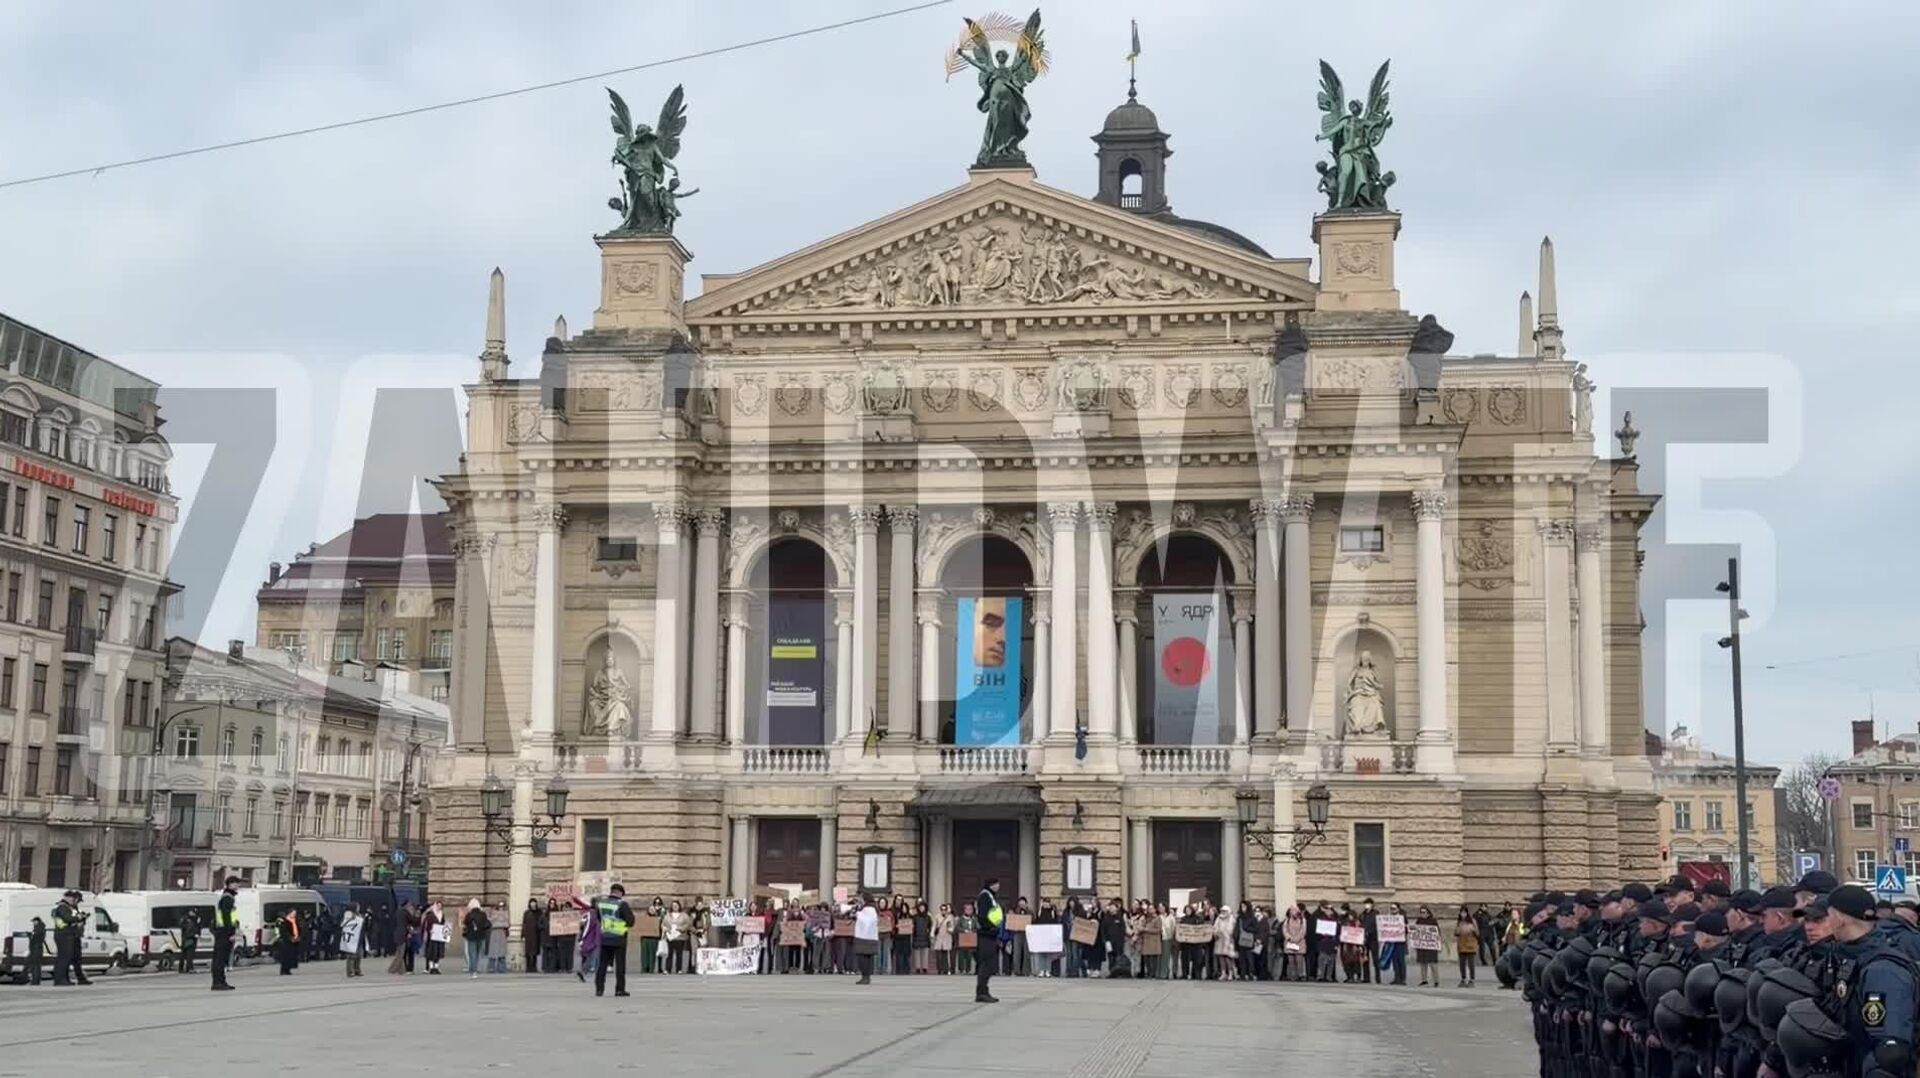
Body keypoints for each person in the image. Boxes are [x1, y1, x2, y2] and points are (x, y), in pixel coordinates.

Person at [593, 884, 634, 997]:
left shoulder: (601, 904)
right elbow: (630, 921)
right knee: (620, 965)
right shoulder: (622, 904)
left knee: (602, 965)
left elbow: (599, 918)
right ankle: (619, 989)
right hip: (619, 938)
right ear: (620, 893)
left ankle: (599, 989)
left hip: (605, 937)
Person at [975, 877, 1005, 1002]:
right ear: (991, 885)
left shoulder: (991, 896)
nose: (998, 886)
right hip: (986, 935)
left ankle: (984, 990)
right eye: (996, 884)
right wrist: (990, 928)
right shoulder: (984, 896)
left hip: (991, 934)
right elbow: (983, 916)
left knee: (990, 964)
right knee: (987, 964)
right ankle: (981, 992)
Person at [51, 891, 88, 986]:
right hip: (63, 934)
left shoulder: (70, 907)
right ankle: (60, 980)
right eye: (75, 899)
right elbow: (67, 919)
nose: (75, 902)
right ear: (68, 898)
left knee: (68, 958)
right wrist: (78, 918)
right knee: (63, 958)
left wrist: (81, 917)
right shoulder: (62, 907)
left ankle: (65, 979)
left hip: (70, 934)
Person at [211, 877, 239, 991]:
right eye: (236, 883)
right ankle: (218, 982)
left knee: (220, 957)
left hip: (221, 931)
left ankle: (220, 981)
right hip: (224, 932)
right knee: (220, 958)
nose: (237, 886)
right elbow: (226, 917)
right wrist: (230, 933)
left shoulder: (227, 897)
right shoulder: (227, 898)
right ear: (229, 884)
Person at [853, 895, 880, 985]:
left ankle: (865, 976)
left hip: (865, 937)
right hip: (869, 937)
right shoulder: (870, 909)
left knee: (863, 959)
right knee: (867, 958)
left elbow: (866, 921)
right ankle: (866, 977)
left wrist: (857, 914)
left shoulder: (869, 909)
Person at [461, 899, 490, 978]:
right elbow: (486, 924)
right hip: (481, 935)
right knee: (478, 953)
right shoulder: (483, 914)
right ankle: (476, 968)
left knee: (472, 953)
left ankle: (473, 970)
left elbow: (465, 923)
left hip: (471, 936)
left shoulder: (469, 915)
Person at [1413, 907, 1440, 986]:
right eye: (1421, 912)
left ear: (1428, 913)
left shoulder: (1433, 921)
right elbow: (1415, 931)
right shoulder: (1419, 921)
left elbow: (1437, 932)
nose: (1422, 914)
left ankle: (1436, 980)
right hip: (1422, 945)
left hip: (1431, 945)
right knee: (1423, 963)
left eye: (1424, 912)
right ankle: (1424, 980)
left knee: (1433, 963)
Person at [1454, 908, 1479, 987]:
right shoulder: (1460, 922)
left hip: (1470, 945)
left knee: (1471, 964)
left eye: (1464, 913)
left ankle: (1472, 980)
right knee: (1462, 964)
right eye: (1462, 913)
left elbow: (1477, 933)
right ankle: (1463, 979)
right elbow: (1456, 932)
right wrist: (1459, 929)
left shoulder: (1472, 921)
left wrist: (1472, 929)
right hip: (1461, 945)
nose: (1463, 914)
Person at [340, 902, 366, 978]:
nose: (359, 908)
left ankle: (357, 969)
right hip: (352, 938)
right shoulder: (348, 915)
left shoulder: (359, 915)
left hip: (359, 937)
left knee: (359, 955)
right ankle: (350, 971)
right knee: (351, 956)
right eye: (357, 907)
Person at [274, 907, 302, 976]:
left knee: (292, 956)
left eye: (295, 913)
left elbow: (299, 929)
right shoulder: (285, 921)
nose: (294, 915)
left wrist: (298, 937)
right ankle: (284, 970)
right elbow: (283, 931)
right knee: (286, 956)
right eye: (293, 913)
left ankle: (288, 969)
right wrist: (290, 938)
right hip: (286, 941)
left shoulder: (295, 921)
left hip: (295, 940)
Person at [521, 899, 545, 973]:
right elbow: (524, 924)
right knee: (528, 952)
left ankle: (534, 967)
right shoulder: (526, 913)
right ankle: (528, 967)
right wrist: (522, 935)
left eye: (534, 903)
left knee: (535, 952)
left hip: (536, 935)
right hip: (528, 935)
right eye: (532, 903)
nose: (533, 904)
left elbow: (541, 922)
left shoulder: (539, 912)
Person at [421, 902, 444, 974]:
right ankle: (431, 967)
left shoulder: (441, 914)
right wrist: (430, 931)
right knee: (431, 951)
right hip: (432, 935)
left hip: (439, 935)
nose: (439, 907)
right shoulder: (430, 914)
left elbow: (443, 923)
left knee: (438, 951)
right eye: (438, 905)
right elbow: (427, 925)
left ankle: (436, 967)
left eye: (441, 906)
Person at [177, 910, 201, 974]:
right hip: (189, 939)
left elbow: (198, 929)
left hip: (189, 939)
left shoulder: (194, 920)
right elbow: (188, 930)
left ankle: (183, 968)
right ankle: (189, 968)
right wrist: (194, 935)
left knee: (184, 955)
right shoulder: (188, 920)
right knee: (189, 955)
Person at [25, 915, 45, 985]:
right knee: (34, 965)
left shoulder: (39, 928)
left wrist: (31, 936)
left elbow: (36, 938)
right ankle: (35, 980)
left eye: (34, 921)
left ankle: (35, 980)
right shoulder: (40, 927)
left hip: (36, 949)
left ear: (37, 921)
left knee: (35, 965)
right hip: (36, 949)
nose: (33, 923)